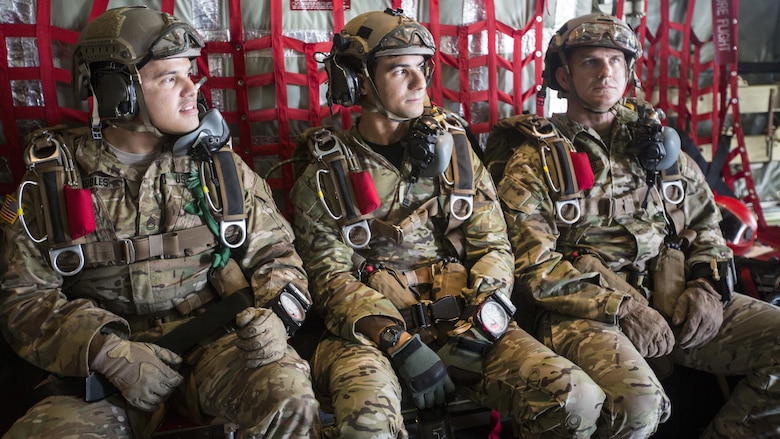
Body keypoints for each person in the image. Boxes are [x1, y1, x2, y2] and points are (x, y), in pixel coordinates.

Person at [0, 6, 318, 438]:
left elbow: (278, 255)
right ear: (118, 92)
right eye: (170, 78)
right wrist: (105, 351)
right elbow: (24, 301)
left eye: (190, 73)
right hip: (109, 367)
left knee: (289, 397)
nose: (193, 90)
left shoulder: (218, 166)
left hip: (218, 345)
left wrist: (278, 318)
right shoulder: (53, 179)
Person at [291, 8, 606, 439]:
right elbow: (330, 280)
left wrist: (481, 325)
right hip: (370, 335)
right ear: (357, 81)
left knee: (575, 398)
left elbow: (493, 246)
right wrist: (396, 342)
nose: (421, 83)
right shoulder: (327, 174)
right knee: (367, 425)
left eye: (422, 67)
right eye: (401, 70)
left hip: (468, 322)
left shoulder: (456, 155)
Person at [485, 12, 780, 439]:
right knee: (638, 405)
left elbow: (705, 224)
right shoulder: (537, 159)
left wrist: (707, 286)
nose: (607, 72)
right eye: (590, 62)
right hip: (588, 312)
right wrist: (621, 308)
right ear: (563, 77)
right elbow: (533, 267)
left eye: (616, 61)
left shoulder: (658, 146)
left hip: (675, 298)